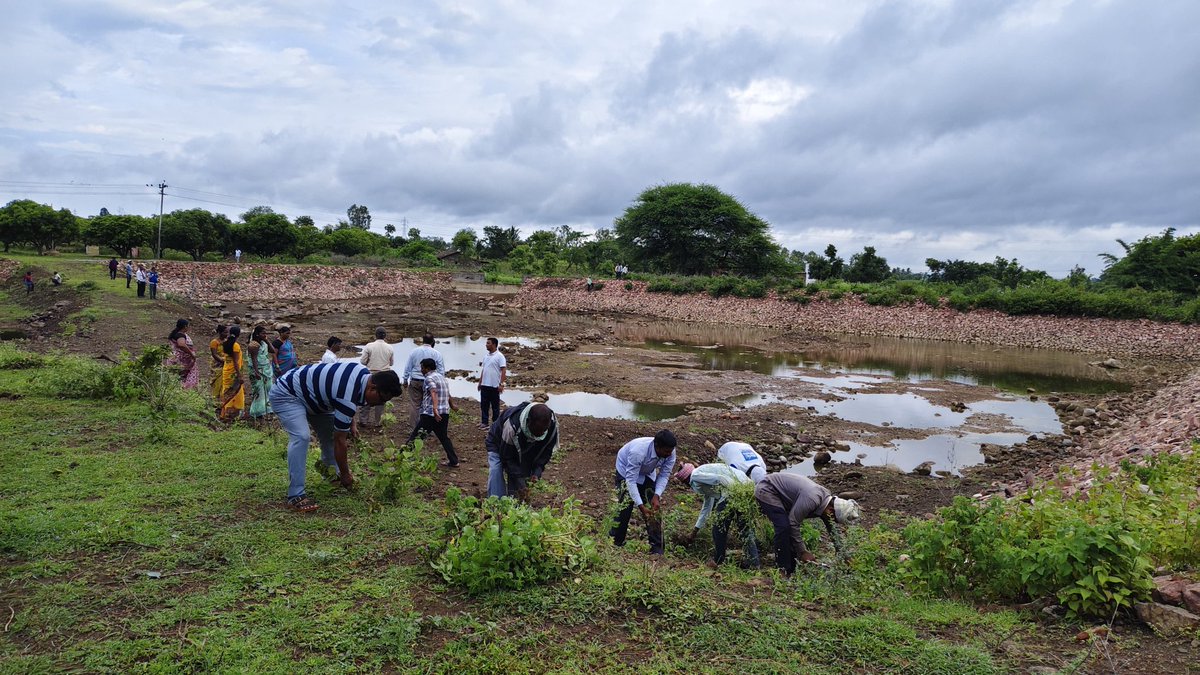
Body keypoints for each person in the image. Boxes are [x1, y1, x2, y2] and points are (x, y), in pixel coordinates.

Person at [270, 362, 402, 512]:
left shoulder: (363, 373)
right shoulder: (346, 397)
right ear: (372, 387)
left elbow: (346, 399)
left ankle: (332, 477)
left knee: (329, 439)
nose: (379, 404)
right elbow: (341, 441)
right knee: (302, 437)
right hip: (287, 393)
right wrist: (346, 475)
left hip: (318, 400)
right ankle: (295, 496)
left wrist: (350, 422)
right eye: (382, 400)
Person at [754, 472, 861, 575]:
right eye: (834, 518)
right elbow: (793, 523)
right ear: (831, 510)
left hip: (783, 496)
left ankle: (791, 569)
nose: (833, 520)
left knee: (790, 530)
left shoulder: (826, 502)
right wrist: (803, 552)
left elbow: (832, 529)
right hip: (768, 489)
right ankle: (782, 570)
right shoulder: (813, 499)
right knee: (784, 527)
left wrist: (843, 554)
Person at [673, 463, 761, 567]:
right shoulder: (704, 475)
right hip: (746, 488)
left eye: (684, 483)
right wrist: (695, 530)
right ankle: (753, 563)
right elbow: (707, 507)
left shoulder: (695, 476)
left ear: (685, 479)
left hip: (733, 491)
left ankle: (719, 560)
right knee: (744, 529)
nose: (686, 486)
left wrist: (734, 492)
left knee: (718, 529)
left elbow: (719, 479)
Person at [610, 430, 677, 555]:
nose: (669, 454)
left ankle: (657, 550)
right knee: (625, 506)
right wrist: (641, 506)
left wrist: (657, 495)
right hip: (626, 471)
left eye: (670, 451)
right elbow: (631, 481)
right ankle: (615, 542)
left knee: (654, 510)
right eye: (666, 451)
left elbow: (664, 475)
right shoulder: (638, 451)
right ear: (657, 446)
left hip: (647, 472)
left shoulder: (670, 452)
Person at [485, 402, 559, 498]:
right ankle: (495, 503)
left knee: (519, 484)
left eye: (544, 430)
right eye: (537, 431)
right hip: (498, 442)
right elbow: (507, 458)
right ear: (528, 421)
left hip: (524, 445)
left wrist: (537, 471)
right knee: (496, 470)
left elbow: (546, 451)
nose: (541, 434)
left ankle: (514, 503)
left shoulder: (551, 427)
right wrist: (519, 479)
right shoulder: (512, 427)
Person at [405, 358, 459, 466]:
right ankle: (454, 461)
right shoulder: (442, 378)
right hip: (444, 412)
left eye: (422, 368)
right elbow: (447, 393)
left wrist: (434, 409)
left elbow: (433, 391)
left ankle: (402, 456)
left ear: (427, 368)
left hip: (430, 413)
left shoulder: (429, 378)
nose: (421, 370)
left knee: (416, 435)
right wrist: (452, 405)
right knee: (443, 437)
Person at [402, 333, 445, 428]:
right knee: (428, 405)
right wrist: (441, 382)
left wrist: (405, 380)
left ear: (423, 340)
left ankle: (414, 427)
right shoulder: (437, 353)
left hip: (415, 380)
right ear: (433, 341)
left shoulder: (414, 351)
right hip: (431, 381)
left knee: (415, 405)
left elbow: (408, 367)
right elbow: (441, 370)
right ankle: (426, 427)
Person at [358, 326, 393, 427]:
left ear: (375, 335)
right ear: (385, 336)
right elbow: (391, 363)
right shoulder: (390, 347)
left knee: (366, 396)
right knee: (382, 398)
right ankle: (379, 421)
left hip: (371, 374)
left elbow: (362, 361)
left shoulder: (369, 346)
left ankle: (363, 420)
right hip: (385, 374)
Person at [476, 336, 506, 430]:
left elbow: (503, 371)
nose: (486, 345)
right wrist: (480, 382)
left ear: (494, 344)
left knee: (495, 407)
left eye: (488, 343)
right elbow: (483, 370)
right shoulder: (486, 356)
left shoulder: (500, 356)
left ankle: (495, 424)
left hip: (494, 386)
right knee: (484, 405)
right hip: (485, 385)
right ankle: (484, 422)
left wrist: (501, 384)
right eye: (486, 343)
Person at [246, 324, 274, 421]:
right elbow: (254, 360)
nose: (265, 335)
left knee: (268, 389)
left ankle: (266, 410)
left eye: (265, 333)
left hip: (266, 369)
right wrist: (256, 372)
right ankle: (257, 412)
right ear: (257, 334)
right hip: (258, 370)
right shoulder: (253, 345)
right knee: (259, 391)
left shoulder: (263, 343)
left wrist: (267, 340)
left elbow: (272, 350)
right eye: (263, 333)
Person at [220, 325, 245, 422]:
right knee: (237, 391)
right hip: (234, 372)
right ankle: (234, 413)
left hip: (227, 370)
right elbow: (235, 361)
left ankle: (226, 412)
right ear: (238, 334)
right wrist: (239, 375)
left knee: (227, 390)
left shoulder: (226, 343)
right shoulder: (235, 345)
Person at [166, 318, 198, 389]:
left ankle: (177, 390)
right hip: (181, 360)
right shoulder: (180, 335)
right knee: (182, 376)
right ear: (185, 326)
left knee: (175, 377)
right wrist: (191, 354)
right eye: (188, 326)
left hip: (174, 358)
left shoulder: (175, 334)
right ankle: (186, 390)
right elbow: (181, 345)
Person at [209, 325, 228, 408]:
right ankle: (215, 402)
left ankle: (222, 401)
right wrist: (223, 361)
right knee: (217, 382)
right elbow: (214, 354)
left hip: (226, 363)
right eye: (225, 332)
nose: (227, 334)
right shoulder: (214, 342)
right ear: (220, 332)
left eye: (227, 332)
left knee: (224, 383)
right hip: (217, 365)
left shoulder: (227, 341)